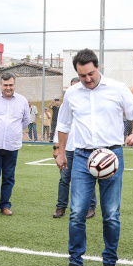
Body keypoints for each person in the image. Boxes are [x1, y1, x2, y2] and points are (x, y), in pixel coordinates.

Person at [54, 49, 133, 266]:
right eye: (82, 75)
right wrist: (61, 152)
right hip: (83, 157)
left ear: (98, 67)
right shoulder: (72, 93)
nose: (87, 79)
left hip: (111, 156)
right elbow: (63, 124)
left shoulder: (117, 88)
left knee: (111, 214)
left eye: (91, 73)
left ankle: (109, 261)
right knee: (76, 213)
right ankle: (76, 262)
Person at [0, 73, 30, 217]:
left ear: (15, 85)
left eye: (11, 85)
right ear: (0, 85)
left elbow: (25, 120)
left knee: (9, 177)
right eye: (5, 85)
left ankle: (5, 205)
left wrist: (14, 132)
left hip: (12, 146)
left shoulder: (22, 101)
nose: (8, 88)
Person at [53, 77, 96, 220]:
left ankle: (90, 207)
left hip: (84, 148)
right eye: (71, 87)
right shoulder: (67, 104)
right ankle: (61, 206)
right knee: (64, 179)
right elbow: (60, 127)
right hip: (68, 148)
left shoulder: (88, 106)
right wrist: (57, 148)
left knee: (88, 177)